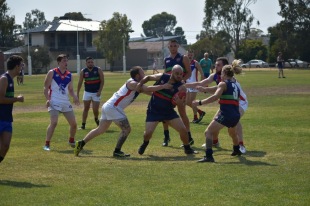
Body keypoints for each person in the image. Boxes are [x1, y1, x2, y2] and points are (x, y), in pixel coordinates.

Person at [74, 66, 172, 157]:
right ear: (138, 76)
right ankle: (117, 151)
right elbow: (148, 88)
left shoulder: (136, 85)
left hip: (109, 106)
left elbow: (149, 92)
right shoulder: (132, 83)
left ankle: (81, 143)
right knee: (126, 129)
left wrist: (165, 96)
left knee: (100, 130)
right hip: (113, 107)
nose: (145, 75)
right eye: (143, 73)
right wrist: (163, 86)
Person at [137, 65, 198, 155]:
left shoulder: (182, 88)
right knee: (148, 134)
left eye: (181, 74)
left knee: (183, 130)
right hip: (154, 110)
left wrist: (179, 103)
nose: (179, 76)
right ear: (172, 73)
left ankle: (187, 148)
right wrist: (140, 84)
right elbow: (149, 77)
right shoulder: (163, 76)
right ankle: (145, 143)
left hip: (168, 112)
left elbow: (182, 109)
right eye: (177, 73)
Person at [193, 60, 248, 154]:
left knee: (208, 132)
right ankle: (236, 149)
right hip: (234, 112)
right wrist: (204, 89)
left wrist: (200, 102)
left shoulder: (223, 83)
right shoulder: (234, 83)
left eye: (222, 72)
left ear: (225, 74)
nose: (220, 75)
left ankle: (209, 156)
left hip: (229, 111)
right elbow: (218, 89)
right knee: (232, 132)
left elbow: (215, 96)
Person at [185, 57, 229, 147]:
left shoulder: (228, 78)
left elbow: (217, 90)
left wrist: (204, 90)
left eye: (218, 65)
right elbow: (201, 83)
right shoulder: (215, 75)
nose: (216, 67)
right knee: (216, 123)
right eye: (215, 65)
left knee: (232, 128)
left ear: (225, 67)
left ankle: (239, 145)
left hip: (237, 104)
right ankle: (215, 142)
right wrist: (185, 85)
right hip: (225, 105)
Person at [43, 54, 80, 151]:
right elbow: (45, 87)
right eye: (64, 61)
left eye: (66, 60)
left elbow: (70, 89)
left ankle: (71, 140)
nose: (66, 62)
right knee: (54, 122)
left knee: (74, 124)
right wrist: (47, 99)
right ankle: (47, 144)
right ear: (58, 62)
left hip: (65, 102)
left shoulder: (69, 75)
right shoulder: (52, 72)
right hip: (54, 101)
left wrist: (75, 96)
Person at [162, 39, 193, 147]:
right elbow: (166, 74)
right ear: (168, 47)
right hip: (169, 89)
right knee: (164, 112)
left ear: (178, 46)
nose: (173, 47)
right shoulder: (166, 59)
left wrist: (182, 81)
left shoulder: (183, 57)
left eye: (175, 45)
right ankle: (166, 136)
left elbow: (189, 72)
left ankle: (189, 136)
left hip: (180, 89)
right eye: (171, 46)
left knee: (182, 113)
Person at [0, 55, 24, 163]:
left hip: (7, 117)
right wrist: (17, 99)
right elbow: (0, 99)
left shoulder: (11, 79)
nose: (22, 68)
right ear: (16, 66)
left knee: (5, 146)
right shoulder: (4, 79)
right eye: (21, 65)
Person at [77, 57, 104, 130]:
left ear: (93, 63)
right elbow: (80, 83)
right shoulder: (83, 71)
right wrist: (77, 93)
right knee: (86, 108)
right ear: (86, 63)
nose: (90, 63)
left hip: (96, 93)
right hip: (87, 92)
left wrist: (99, 91)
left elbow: (102, 81)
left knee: (95, 109)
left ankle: (96, 119)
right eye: (89, 62)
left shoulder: (98, 70)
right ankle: (83, 125)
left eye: (91, 62)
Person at [186, 50, 206, 123]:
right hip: (187, 85)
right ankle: (200, 112)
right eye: (189, 54)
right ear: (186, 55)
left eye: (191, 55)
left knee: (192, 102)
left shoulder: (195, 63)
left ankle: (195, 117)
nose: (190, 56)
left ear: (193, 55)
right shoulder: (185, 63)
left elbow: (202, 73)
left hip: (194, 85)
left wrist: (201, 83)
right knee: (187, 102)